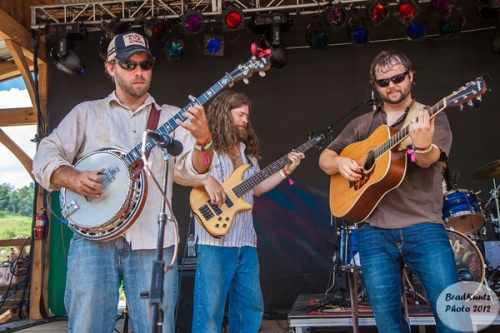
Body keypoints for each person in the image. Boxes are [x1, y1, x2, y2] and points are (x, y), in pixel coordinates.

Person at [32, 32, 213, 333]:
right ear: (111, 68)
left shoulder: (171, 117)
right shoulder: (88, 113)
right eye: (129, 64)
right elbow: (44, 156)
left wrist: (204, 141)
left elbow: (197, 173)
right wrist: (72, 177)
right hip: (92, 242)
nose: (138, 71)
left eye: (145, 63)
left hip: (152, 243)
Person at [319, 51, 468, 332]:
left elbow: (427, 159)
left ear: (410, 77)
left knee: (452, 315)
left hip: (423, 226)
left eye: (398, 78)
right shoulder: (362, 125)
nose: (392, 85)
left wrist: (422, 144)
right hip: (373, 231)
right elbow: (325, 159)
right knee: (388, 323)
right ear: (376, 86)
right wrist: (340, 162)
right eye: (384, 81)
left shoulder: (430, 118)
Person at [174, 90, 305, 333]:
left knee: (249, 307)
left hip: (246, 241)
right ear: (225, 114)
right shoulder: (205, 146)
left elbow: (257, 189)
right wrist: (205, 181)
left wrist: (286, 170)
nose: (246, 120)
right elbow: (177, 172)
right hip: (214, 243)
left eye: (247, 115)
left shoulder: (247, 153)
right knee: (209, 310)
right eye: (240, 114)